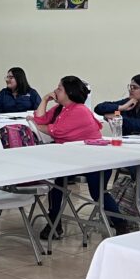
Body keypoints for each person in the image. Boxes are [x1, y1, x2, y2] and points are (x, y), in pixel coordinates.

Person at [32, 76, 114, 238]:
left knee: (97, 192)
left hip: (94, 160)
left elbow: (56, 131)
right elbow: (40, 118)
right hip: (71, 160)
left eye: (59, 89)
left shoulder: (80, 110)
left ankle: (121, 224)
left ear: (69, 92)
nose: (55, 91)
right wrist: (45, 99)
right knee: (57, 183)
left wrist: (37, 126)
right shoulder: (60, 108)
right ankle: (54, 224)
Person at [95, 74, 140, 216]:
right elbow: (99, 108)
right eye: (129, 87)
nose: (131, 90)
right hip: (128, 148)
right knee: (107, 163)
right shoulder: (129, 102)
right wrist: (121, 107)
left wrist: (118, 116)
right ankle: (106, 201)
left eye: (134, 88)